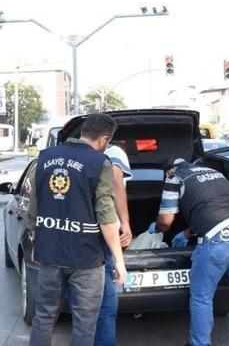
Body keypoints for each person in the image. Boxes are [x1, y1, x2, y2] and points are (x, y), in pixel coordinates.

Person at [27, 113, 126, 346]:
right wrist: (119, 260)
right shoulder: (99, 163)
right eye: (108, 142)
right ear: (103, 139)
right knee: (84, 322)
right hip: (86, 259)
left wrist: (36, 238)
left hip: (50, 254)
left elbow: (35, 204)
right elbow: (106, 215)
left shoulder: (45, 157)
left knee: (44, 316)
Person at [156, 158, 229, 346]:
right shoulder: (214, 173)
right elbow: (217, 208)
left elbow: (166, 221)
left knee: (201, 296)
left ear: (168, 171)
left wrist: (157, 230)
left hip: (221, 240)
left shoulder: (175, 178)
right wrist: (187, 232)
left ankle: (199, 343)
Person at [91, 142, 132, 346]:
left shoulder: (87, 160)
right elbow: (116, 184)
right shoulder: (115, 153)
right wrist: (125, 224)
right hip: (104, 236)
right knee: (106, 303)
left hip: (79, 243)